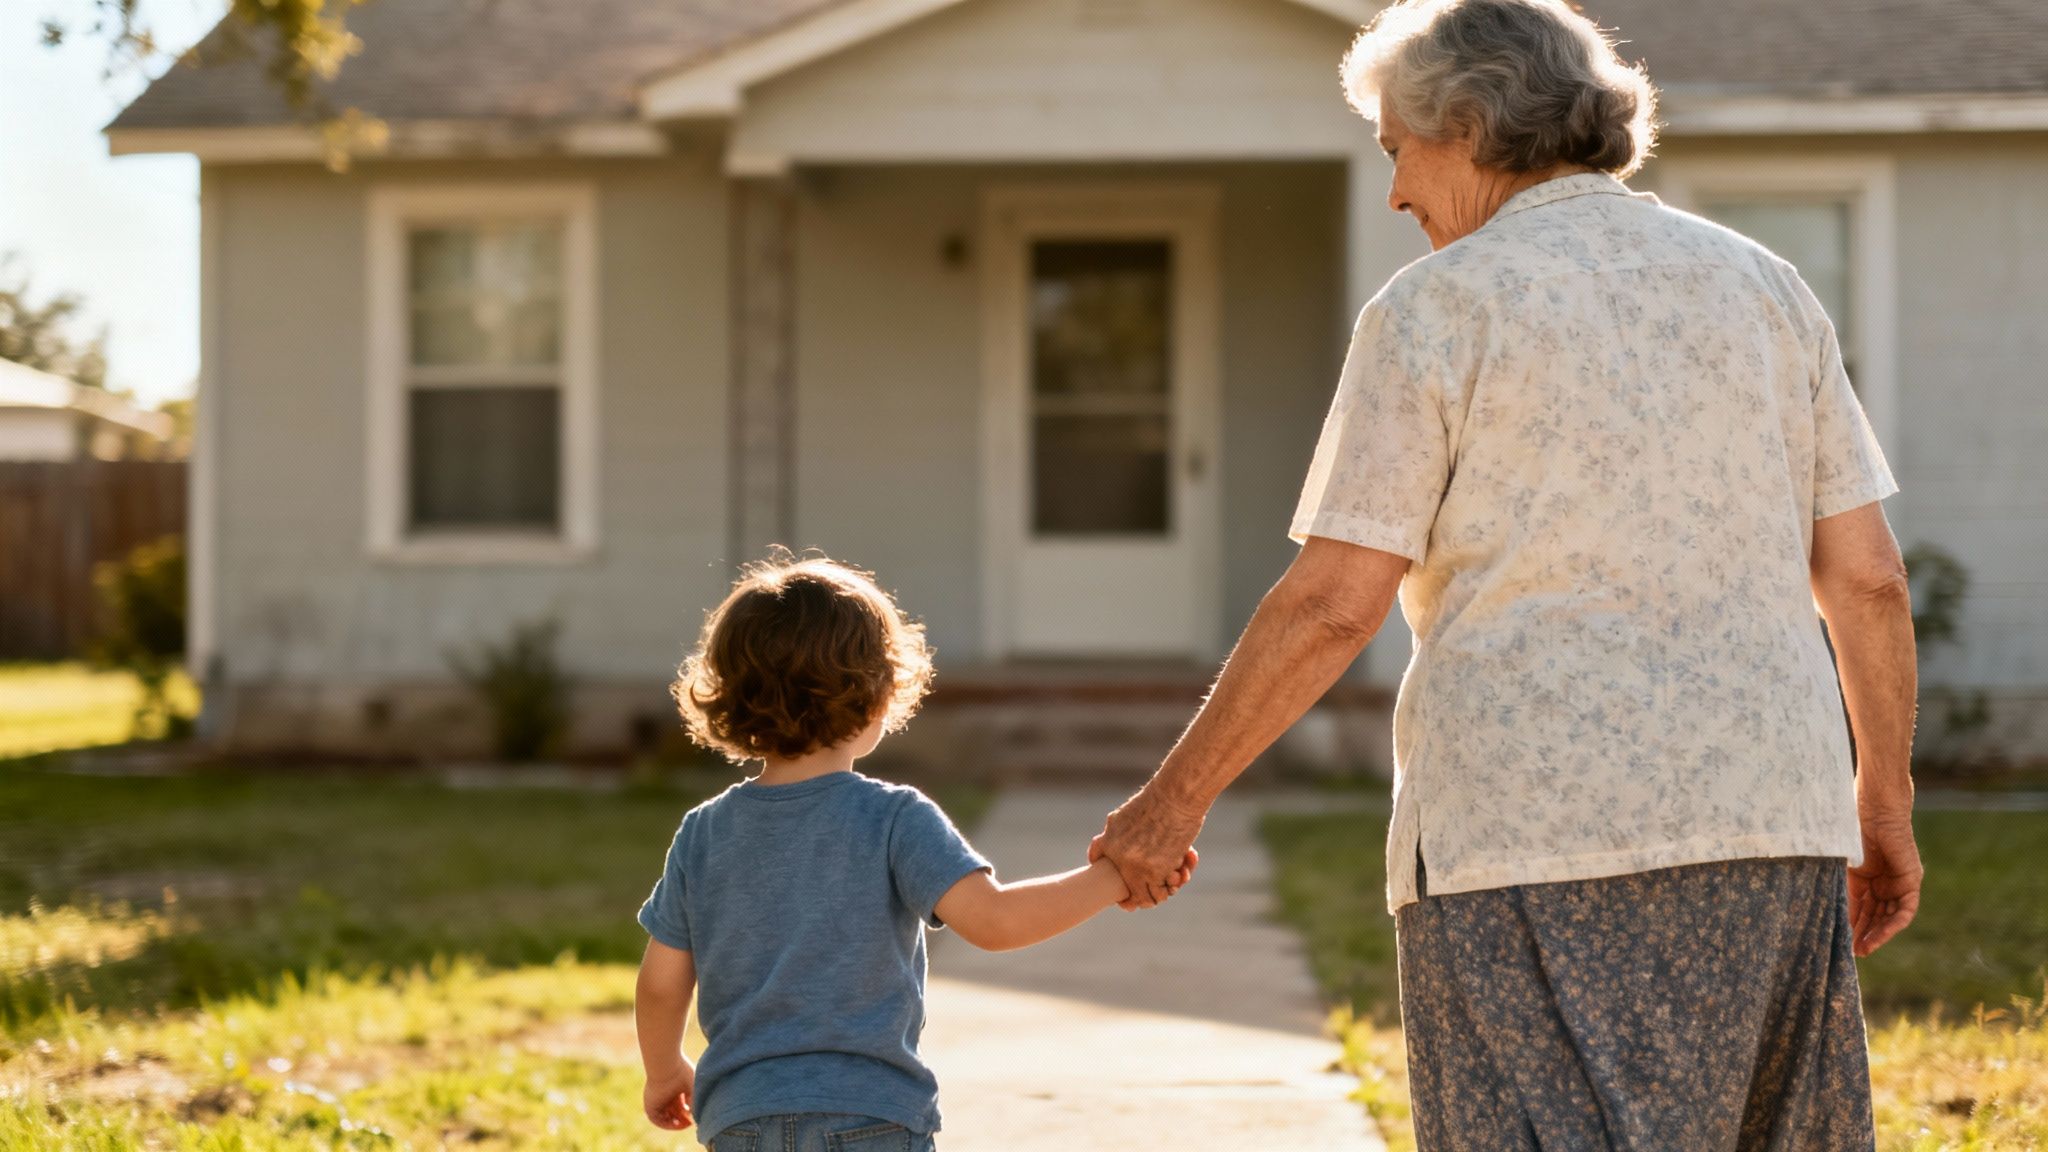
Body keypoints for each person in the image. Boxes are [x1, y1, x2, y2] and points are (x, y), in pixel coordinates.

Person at [1090, 0, 1920, 1145]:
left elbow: (1336, 601)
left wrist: (1168, 803)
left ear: (1469, 125)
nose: (1391, 194)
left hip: (1522, 840)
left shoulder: (1437, 308)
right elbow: (1867, 581)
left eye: (1396, 151)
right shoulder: (1766, 288)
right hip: (1770, 823)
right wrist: (1879, 803)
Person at [634, 554, 1192, 1151]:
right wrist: (1113, 877)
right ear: (877, 695)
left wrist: (666, 1071)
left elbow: (661, 984)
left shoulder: (704, 832)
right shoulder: (894, 818)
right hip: (871, 1115)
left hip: (741, 1118)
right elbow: (997, 921)